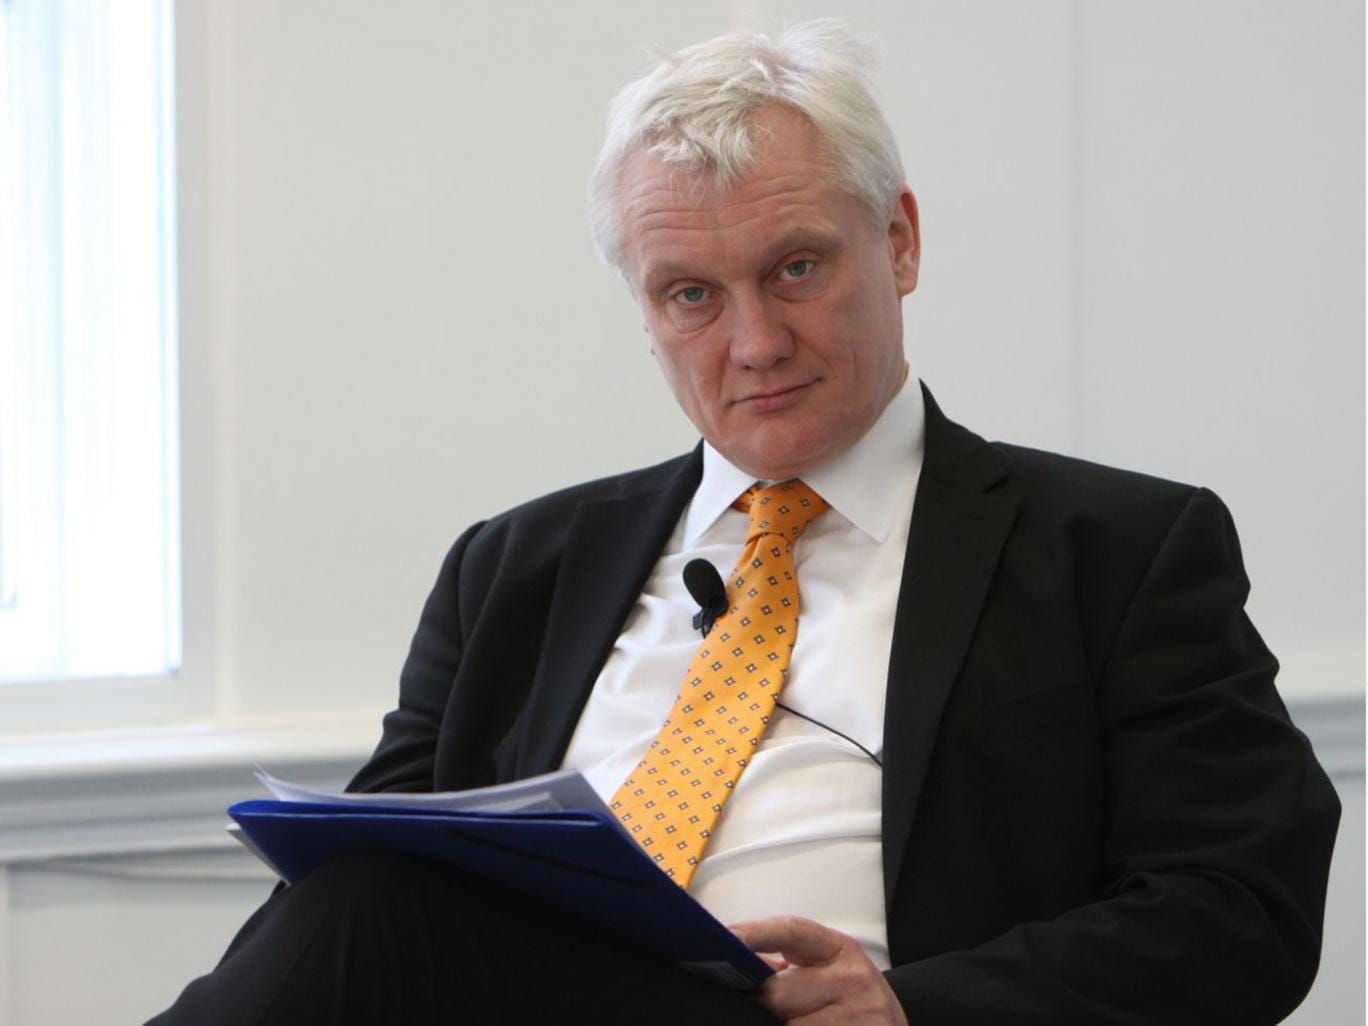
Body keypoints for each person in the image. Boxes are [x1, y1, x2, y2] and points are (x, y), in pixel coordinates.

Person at [151, 21, 1339, 1026]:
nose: (756, 343)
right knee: (363, 895)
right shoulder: (515, 568)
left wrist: (914, 1006)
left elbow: (1242, 907)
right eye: (692, 296)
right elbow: (344, 901)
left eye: (796, 269)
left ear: (900, 242)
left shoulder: (1118, 552)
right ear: (644, 311)